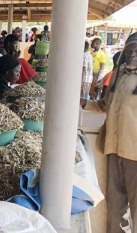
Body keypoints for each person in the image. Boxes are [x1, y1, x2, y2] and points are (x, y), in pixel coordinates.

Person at [81, 32, 137, 233]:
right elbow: (106, 105)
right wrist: (85, 103)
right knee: (115, 207)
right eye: (130, 49)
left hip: (135, 153)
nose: (133, 54)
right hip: (114, 149)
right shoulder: (119, 74)